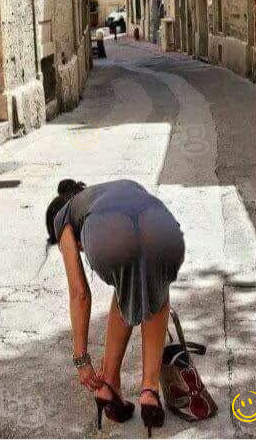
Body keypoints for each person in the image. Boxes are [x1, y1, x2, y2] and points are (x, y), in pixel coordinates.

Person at [45, 179, 185, 436]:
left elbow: (79, 294)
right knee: (152, 285)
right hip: (166, 230)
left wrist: (81, 360)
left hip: (114, 239)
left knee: (130, 281)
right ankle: (148, 391)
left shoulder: (63, 214)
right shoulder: (114, 189)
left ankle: (108, 384)